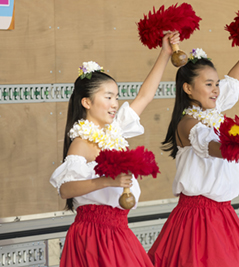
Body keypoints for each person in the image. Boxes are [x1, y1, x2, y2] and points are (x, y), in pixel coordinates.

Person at [49, 32, 180, 267]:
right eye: (108, 97)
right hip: (93, 235)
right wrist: (108, 181)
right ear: (87, 102)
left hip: (118, 230)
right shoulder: (82, 142)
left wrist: (165, 53)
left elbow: (145, 96)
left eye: (116, 97)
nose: (115, 104)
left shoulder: (115, 132)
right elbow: (65, 189)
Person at [147, 28, 239, 267]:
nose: (216, 89)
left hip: (223, 215)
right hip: (198, 218)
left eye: (216, 83)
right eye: (209, 84)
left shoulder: (213, 113)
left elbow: (234, 80)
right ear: (188, 89)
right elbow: (214, 147)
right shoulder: (188, 123)